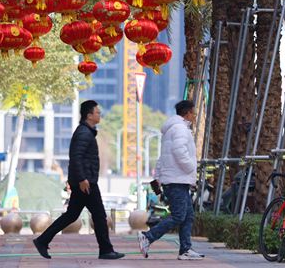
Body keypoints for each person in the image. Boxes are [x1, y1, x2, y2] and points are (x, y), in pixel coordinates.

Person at [33, 100, 124, 260]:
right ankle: (106, 250)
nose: (99, 114)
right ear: (89, 116)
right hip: (85, 182)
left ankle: (42, 240)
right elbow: (76, 158)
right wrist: (82, 179)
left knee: (73, 215)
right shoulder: (83, 133)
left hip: (83, 181)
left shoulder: (86, 132)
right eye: (97, 112)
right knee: (99, 215)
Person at [138, 100, 204, 261]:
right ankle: (148, 237)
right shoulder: (181, 129)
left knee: (188, 215)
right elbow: (179, 151)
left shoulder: (171, 130)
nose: (194, 117)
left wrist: (159, 176)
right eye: (194, 114)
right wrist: (191, 167)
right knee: (180, 215)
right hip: (177, 180)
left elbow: (163, 157)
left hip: (174, 179)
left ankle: (185, 250)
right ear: (188, 113)